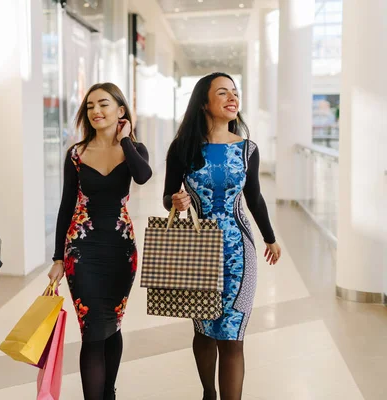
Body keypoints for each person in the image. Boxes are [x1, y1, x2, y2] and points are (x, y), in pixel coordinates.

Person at [163, 72, 281, 400]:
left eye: (235, 93)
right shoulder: (182, 149)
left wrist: (270, 237)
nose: (232, 99)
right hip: (200, 252)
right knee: (204, 330)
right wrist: (176, 200)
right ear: (204, 103)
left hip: (239, 253)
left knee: (232, 337)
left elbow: (254, 197)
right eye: (222, 93)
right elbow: (167, 196)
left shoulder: (247, 149)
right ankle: (208, 393)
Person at [48, 82, 152, 400]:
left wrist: (124, 140)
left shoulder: (135, 150)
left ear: (120, 111)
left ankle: (109, 392)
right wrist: (56, 258)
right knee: (92, 331)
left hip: (121, 251)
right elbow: (67, 206)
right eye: (90, 106)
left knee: (112, 325)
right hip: (82, 250)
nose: (96, 111)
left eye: (104, 104)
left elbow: (143, 176)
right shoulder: (76, 154)